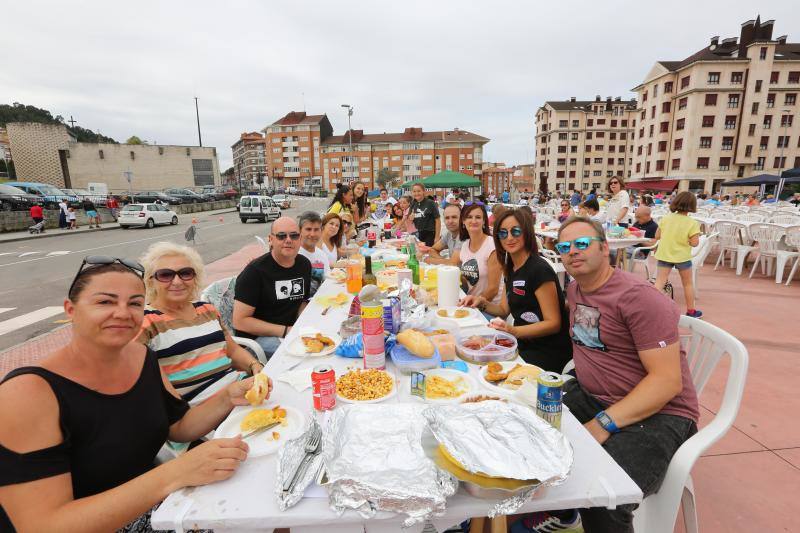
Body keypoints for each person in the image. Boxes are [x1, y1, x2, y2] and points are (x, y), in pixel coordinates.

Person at [0, 256, 259, 531]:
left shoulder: (141, 357)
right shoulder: (27, 393)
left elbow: (179, 428)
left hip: (156, 501)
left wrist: (229, 396)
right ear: (70, 310)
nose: (123, 313)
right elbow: (41, 526)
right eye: (105, 302)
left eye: (135, 303)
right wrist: (175, 473)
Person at [513, 217, 698, 533]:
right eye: (564, 246)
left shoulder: (639, 298)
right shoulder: (574, 290)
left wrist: (603, 423)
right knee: (522, 427)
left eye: (582, 243)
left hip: (660, 414)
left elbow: (667, 382)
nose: (573, 251)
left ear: (605, 247)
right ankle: (566, 513)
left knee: (602, 494)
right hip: (592, 395)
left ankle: (581, 510)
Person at [137, 242, 264, 402]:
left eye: (185, 273)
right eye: (165, 275)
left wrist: (254, 365)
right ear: (150, 281)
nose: (177, 281)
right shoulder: (145, 321)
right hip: (203, 411)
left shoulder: (207, 310)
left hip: (239, 390)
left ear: (195, 277)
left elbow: (232, 350)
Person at [460, 208, 571, 372]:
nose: (509, 238)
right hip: (520, 343)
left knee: (488, 370)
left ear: (526, 232)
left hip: (546, 350)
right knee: (471, 355)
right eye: (503, 233)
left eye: (516, 231)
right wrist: (481, 302)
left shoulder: (539, 269)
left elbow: (553, 323)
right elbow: (503, 310)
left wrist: (514, 331)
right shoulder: (510, 267)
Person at [233, 216, 311, 358]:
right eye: (281, 236)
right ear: (271, 239)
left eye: (294, 235)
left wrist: (306, 322)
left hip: (290, 331)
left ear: (300, 239)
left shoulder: (304, 264)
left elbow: (301, 302)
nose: (288, 240)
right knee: (305, 354)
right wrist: (286, 331)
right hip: (256, 341)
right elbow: (240, 322)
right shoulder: (254, 272)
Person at [653, 192, 702, 318]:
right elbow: (695, 243)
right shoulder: (692, 223)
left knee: (660, 282)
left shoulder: (666, 218)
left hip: (665, 254)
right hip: (682, 256)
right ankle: (691, 311)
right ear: (692, 205)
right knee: (687, 283)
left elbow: (657, 236)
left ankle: (650, 307)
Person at [450, 202, 502, 310]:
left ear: (484, 221)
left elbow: (493, 289)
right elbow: (467, 278)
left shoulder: (492, 246)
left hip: (489, 308)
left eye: (478, 217)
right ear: (463, 221)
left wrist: (475, 303)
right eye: (469, 217)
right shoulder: (465, 245)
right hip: (470, 303)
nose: (473, 221)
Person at [297, 211, 330, 298]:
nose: (312, 234)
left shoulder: (322, 255)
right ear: (300, 231)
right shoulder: (293, 254)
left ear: (321, 231)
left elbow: (327, 280)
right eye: (308, 229)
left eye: (316, 230)